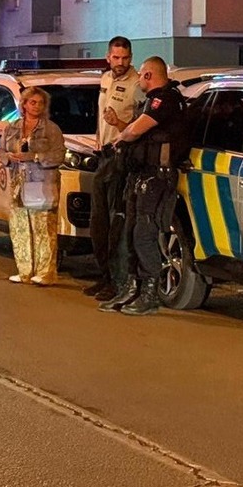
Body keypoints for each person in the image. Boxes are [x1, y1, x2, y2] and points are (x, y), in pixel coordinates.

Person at [99, 56, 189, 316]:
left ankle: (150, 292)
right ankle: (132, 287)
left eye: (141, 74)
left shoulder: (165, 100)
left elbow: (135, 130)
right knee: (131, 232)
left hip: (157, 179)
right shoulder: (152, 100)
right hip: (142, 176)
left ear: (149, 75)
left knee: (144, 234)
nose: (138, 78)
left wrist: (119, 140)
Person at [84, 36, 146, 301]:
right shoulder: (105, 79)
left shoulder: (137, 85)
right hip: (104, 155)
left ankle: (117, 282)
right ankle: (104, 276)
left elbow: (139, 128)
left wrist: (119, 122)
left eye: (125, 58)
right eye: (116, 57)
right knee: (98, 221)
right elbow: (101, 119)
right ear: (108, 57)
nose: (121, 62)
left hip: (122, 157)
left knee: (115, 222)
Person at [0, 87, 67, 285]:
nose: (36, 106)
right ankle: (25, 272)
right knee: (20, 228)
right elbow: (0, 150)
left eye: (40, 103)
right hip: (18, 183)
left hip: (41, 183)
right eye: (32, 102)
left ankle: (46, 273)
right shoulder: (12, 128)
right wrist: (8, 157)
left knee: (43, 228)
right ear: (24, 105)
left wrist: (34, 157)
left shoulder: (51, 129)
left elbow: (58, 155)